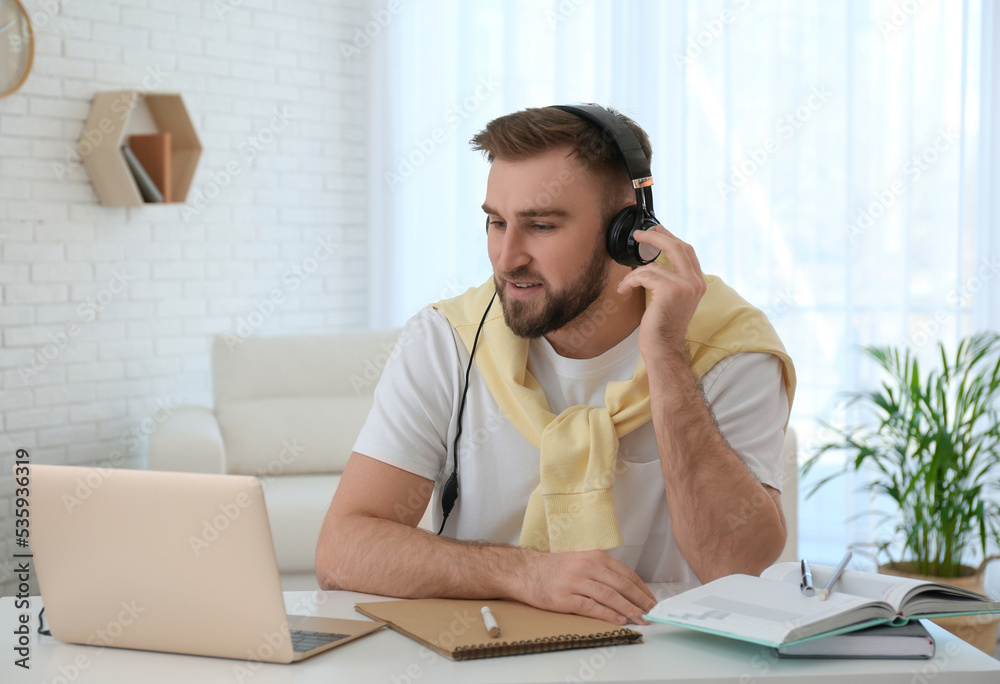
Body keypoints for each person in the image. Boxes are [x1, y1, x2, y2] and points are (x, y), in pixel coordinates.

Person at [315, 104, 795, 627]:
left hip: (669, 658)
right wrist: (524, 574)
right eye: (496, 223)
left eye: (540, 226)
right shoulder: (449, 339)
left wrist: (666, 359)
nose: (506, 258)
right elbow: (344, 549)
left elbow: (735, 565)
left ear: (628, 232)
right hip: (487, 653)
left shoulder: (730, 350)